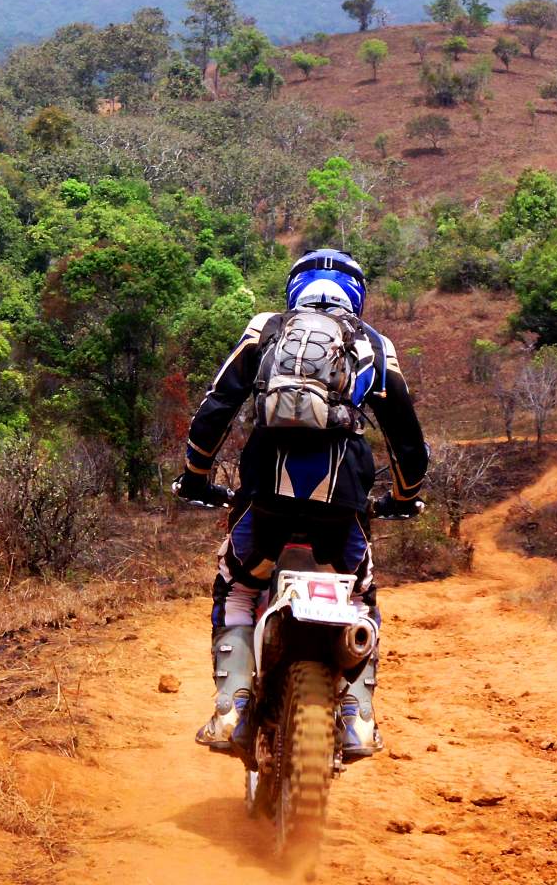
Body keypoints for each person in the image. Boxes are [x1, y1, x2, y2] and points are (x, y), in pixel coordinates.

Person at [173, 249, 429, 762]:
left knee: (239, 586)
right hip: (344, 499)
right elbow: (407, 440)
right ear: (356, 293)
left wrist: (196, 478)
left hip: (265, 496)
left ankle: (233, 710)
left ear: (295, 288)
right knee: (360, 595)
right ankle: (357, 718)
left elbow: (216, 408)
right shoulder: (374, 344)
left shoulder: (266, 329)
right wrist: (403, 497)